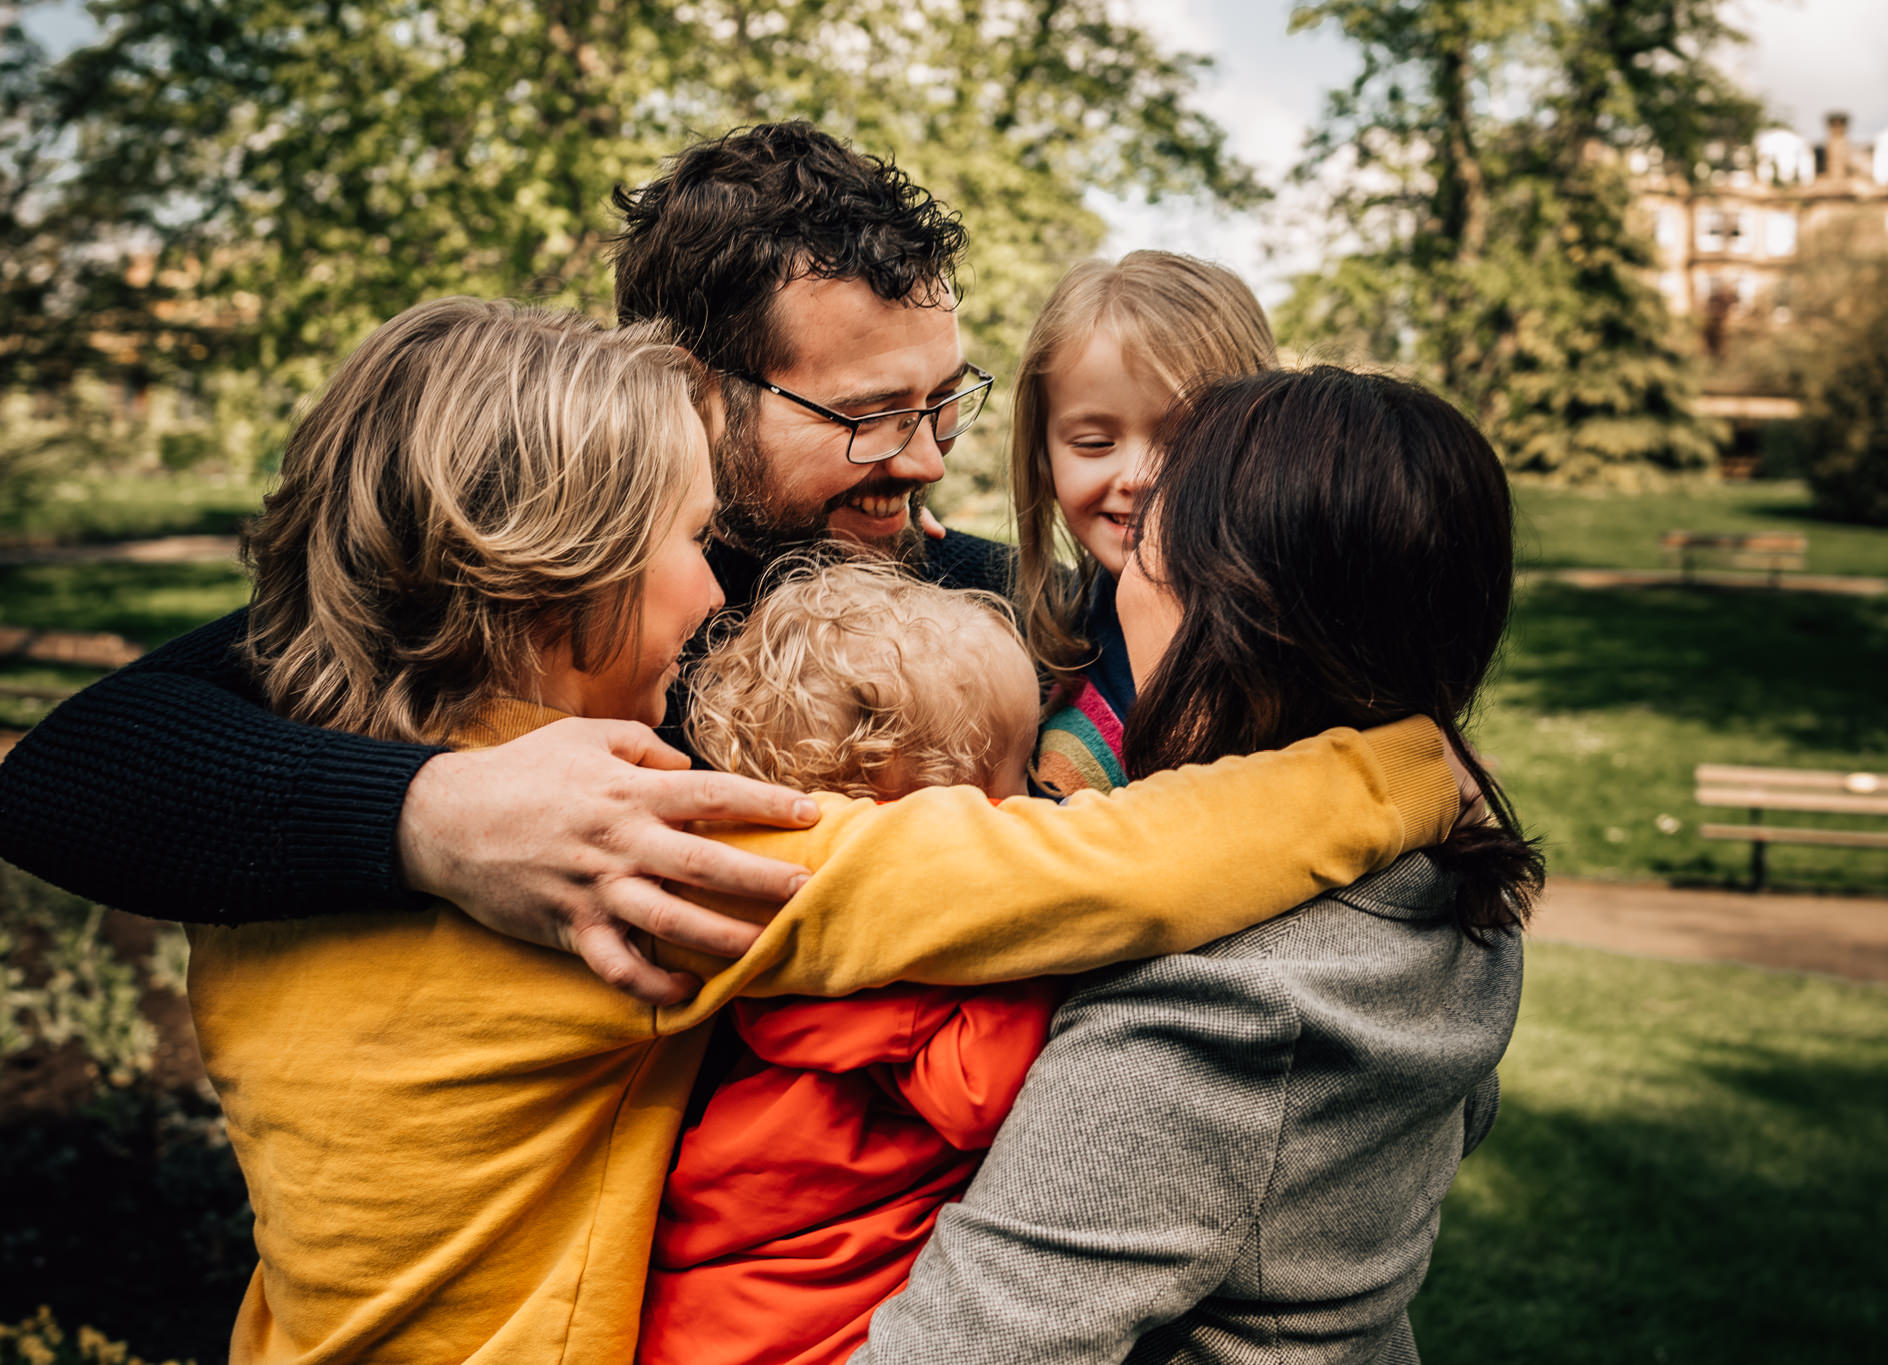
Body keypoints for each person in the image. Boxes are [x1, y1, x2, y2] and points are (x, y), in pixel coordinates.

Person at [192, 300, 1460, 1365]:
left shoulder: (260, 855)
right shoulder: (636, 863)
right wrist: (1396, 771)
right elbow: (1094, 868)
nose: (712, 589)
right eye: (692, 542)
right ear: (554, 576)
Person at [0, 122, 1015, 1000]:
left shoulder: (970, 595)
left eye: (940, 403)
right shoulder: (545, 596)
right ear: (701, 392)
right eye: (870, 414)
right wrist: (435, 817)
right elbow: (63, 775)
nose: (923, 459)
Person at [856, 367, 1544, 1365]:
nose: (1115, 583)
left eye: (1142, 549)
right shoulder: (1441, 879)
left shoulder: (1217, 1013)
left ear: (1223, 620)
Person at [640, 559, 1056, 1365]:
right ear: (918, 826)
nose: (1036, 804)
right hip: (786, 1328)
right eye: (1014, 781)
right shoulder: (895, 968)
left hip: (706, 1309)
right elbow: (977, 1092)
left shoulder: (776, 923)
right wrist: (1043, 941)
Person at [1010, 251, 1277, 799]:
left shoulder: (1298, 648)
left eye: (1183, 442)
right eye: (1094, 443)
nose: (1136, 475)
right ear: (1043, 461)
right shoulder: (1057, 638)